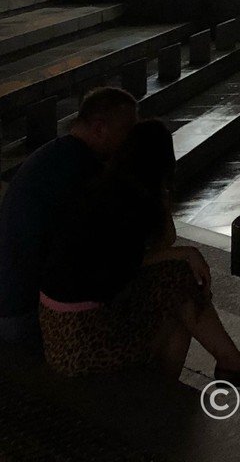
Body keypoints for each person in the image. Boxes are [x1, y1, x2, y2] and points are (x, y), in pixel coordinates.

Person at [39, 119, 240, 384]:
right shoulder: (124, 202)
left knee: (177, 293)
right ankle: (212, 372)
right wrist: (185, 251)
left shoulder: (106, 185)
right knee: (178, 298)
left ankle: (222, 367)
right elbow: (139, 256)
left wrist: (180, 246)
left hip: (59, 328)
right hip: (80, 342)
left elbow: (146, 252)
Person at [0, 87, 138, 347]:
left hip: (12, 300)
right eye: (128, 131)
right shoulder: (84, 173)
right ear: (100, 128)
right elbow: (116, 252)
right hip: (27, 315)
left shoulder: (53, 155)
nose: (131, 141)